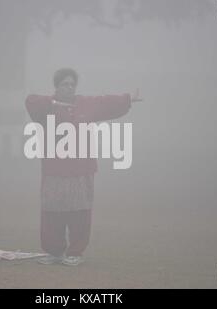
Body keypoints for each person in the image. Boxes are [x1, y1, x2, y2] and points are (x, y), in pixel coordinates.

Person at [25, 68, 142, 266]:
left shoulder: (85, 105)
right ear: (57, 86)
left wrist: (127, 99)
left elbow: (105, 103)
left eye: (72, 84)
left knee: (80, 212)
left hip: (82, 170)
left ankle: (75, 252)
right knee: (52, 212)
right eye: (64, 84)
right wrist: (54, 103)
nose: (69, 88)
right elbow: (31, 102)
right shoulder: (46, 108)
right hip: (54, 171)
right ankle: (54, 252)